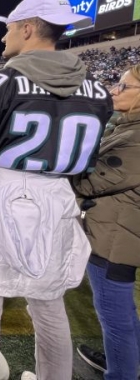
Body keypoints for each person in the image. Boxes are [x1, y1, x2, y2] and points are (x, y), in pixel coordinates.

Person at [0, 0, 114, 380]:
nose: (4, 37)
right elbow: (87, 163)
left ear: (29, 29)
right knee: (49, 304)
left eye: (10, 29)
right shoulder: (98, 91)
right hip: (58, 200)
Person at [72, 64, 140, 380]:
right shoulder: (127, 127)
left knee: (114, 316)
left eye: (124, 86)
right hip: (115, 231)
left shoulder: (135, 138)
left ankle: (122, 372)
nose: (114, 90)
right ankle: (127, 363)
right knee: (122, 312)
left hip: (115, 239)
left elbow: (89, 183)